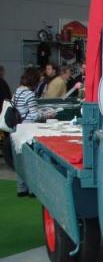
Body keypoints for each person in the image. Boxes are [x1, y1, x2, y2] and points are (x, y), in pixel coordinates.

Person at [11, 67, 55, 196]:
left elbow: (20, 110)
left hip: (17, 128)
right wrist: (47, 114)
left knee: (20, 160)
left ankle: (21, 188)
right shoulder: (29, 94)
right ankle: (32, 189)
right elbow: (34, 116)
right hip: (27, 130)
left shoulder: (17, 91)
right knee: (30, 160)